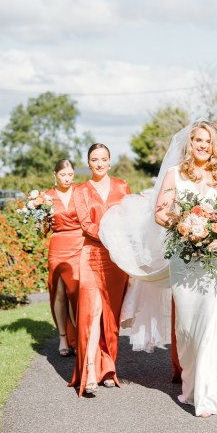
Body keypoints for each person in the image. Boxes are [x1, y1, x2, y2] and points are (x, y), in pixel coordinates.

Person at [155, 120, 217, 418]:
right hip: (184, 260)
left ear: (215, 146)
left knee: (212, 324)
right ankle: (190, 385)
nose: (203, 145)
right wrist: (186, 226)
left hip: (216, 262)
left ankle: (207, 396)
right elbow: (160, 213)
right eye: (198, 140)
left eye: (208, 141)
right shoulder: (174, 175)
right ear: (189, 143)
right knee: (188, 328)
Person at [70, 143, 131, 396]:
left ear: (109, 161)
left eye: (103, 159)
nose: (99, 163)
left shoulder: (122, 186)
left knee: (110, 314)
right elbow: (85, 223)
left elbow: (129, 218)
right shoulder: (81, 190)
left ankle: (109, 367)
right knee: (92, 312)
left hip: (116, 258)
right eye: (94, 159)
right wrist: (108, 236)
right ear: (88, 162)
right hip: (91, 254)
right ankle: (92, 368)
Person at [46, 159, 84, 356]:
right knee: (60, 292)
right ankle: (63, 338)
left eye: (70, 174)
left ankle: (79, 336)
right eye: (63, 175)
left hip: (79, 244)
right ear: (55, 175)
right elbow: (43, 228)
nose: (67, 178)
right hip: (58, 245)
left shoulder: (81, 192)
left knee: (75, 292)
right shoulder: (46, 197)